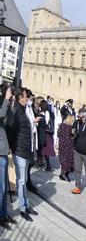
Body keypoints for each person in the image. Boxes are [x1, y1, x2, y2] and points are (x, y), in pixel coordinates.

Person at [9, 87, 39, 221]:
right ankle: (22, 208)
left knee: (24, 180)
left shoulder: (25, 111)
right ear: (20, 97)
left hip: (26, 150)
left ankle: (26, 205)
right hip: (19, 151)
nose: (28, 99)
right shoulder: (16, 112)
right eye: (26, 97)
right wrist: (12, 148)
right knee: (21, 181)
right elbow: (11, 132)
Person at [0, 86, 16, 229]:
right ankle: (1, 217)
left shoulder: (4, 105)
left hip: (3, 152)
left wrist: (10, 104)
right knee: (1, 188)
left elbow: (9, 122)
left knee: (4, 188)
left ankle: (4, 214)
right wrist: (5, 100)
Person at [57, 114, 75, 182]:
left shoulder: (61, 125)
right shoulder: (70, 128)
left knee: (64, 160)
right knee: (69, 160)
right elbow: (73, 136)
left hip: (62, 145)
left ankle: (62, 175)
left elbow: (58, 134)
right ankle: (66, 174)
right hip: (69, 146)